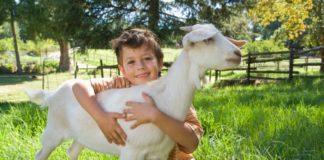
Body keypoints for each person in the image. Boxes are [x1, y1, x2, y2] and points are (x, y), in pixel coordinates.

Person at [72, 28, 203, 159]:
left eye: (147, 58)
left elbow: (191, 144)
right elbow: (79, 87)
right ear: (122, 69)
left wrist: (156, 116)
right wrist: (101, 117)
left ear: (160, 62)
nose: (140, 66)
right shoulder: (120, 84)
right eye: (131, 61)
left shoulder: (173, 94)